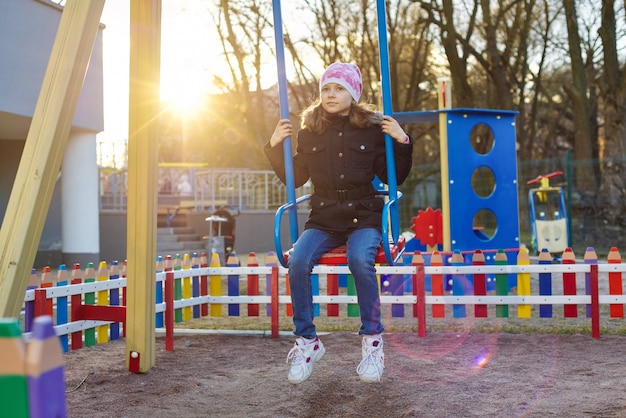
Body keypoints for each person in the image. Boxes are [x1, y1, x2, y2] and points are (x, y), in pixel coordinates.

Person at [264, 62, 413, 384]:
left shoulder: (373, 129)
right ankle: (307, 341)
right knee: (298, 261)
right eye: (326, 89)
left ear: (353, 93)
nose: (331, 95)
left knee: (360, 259)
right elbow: (297, 178)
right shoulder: (309, 131)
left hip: (364, 215)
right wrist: (275, 146)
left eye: (339, 88)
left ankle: (373, 342)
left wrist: (401, 140)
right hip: (325, 217)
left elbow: (393, 177)